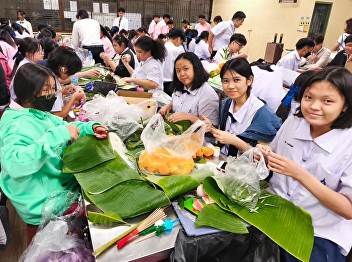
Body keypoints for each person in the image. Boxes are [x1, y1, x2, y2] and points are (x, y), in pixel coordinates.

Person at [257, 67, 352, 262]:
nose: (314, 106)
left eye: (327, 101)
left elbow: (347, 209)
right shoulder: (294, 121)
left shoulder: (348, 142)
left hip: (318, 230)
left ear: (345, 106)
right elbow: (273, 154)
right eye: (309, 97)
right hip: (273, 209)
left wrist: (299, 174)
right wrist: (263, 156)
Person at [0, 63, 108, 228]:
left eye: (53, 89)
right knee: (101, 208)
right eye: (46, 90)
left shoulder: (36, 112)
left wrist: (90, 128)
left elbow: (62, 127)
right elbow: (14, 165)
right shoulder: (18, 125)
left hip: (55, 185)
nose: (51, 95)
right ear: (27, 92)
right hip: (42, 203)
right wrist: (58, 135)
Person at [202, 58, 282, 157]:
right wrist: (212, 129)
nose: (230, 86)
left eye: (236, 80)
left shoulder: (263, 115)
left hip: (245, 169)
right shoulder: (227, 103)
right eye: (226, 81)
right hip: (224, 159)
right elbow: (224, 135)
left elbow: (262, 156)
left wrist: (234, 141)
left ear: (249, 80)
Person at [159, 52, 219, 127]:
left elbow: (213, 129)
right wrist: (169, 106)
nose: (182, 74)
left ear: (196, 68)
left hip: (199, 137)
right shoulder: (180, 88)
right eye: (178, 71)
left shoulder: (207, 94)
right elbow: (180, 102)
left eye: (186, 69)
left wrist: (190, 117)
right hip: (179, 133)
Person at [44, 46, 86, 118]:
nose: (71, 75)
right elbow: (57, 116)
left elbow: (52, 97)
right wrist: (74, 98)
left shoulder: (51, 75)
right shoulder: (50, 82)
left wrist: (63, 92)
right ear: (62, 68)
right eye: (70, 73)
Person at [163, 28, 185, 96]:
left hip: (160, 84)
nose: (180, 44)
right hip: (173, 83)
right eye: (181, 42)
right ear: (178, 39)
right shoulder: (178, 51)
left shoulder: (160, 48)